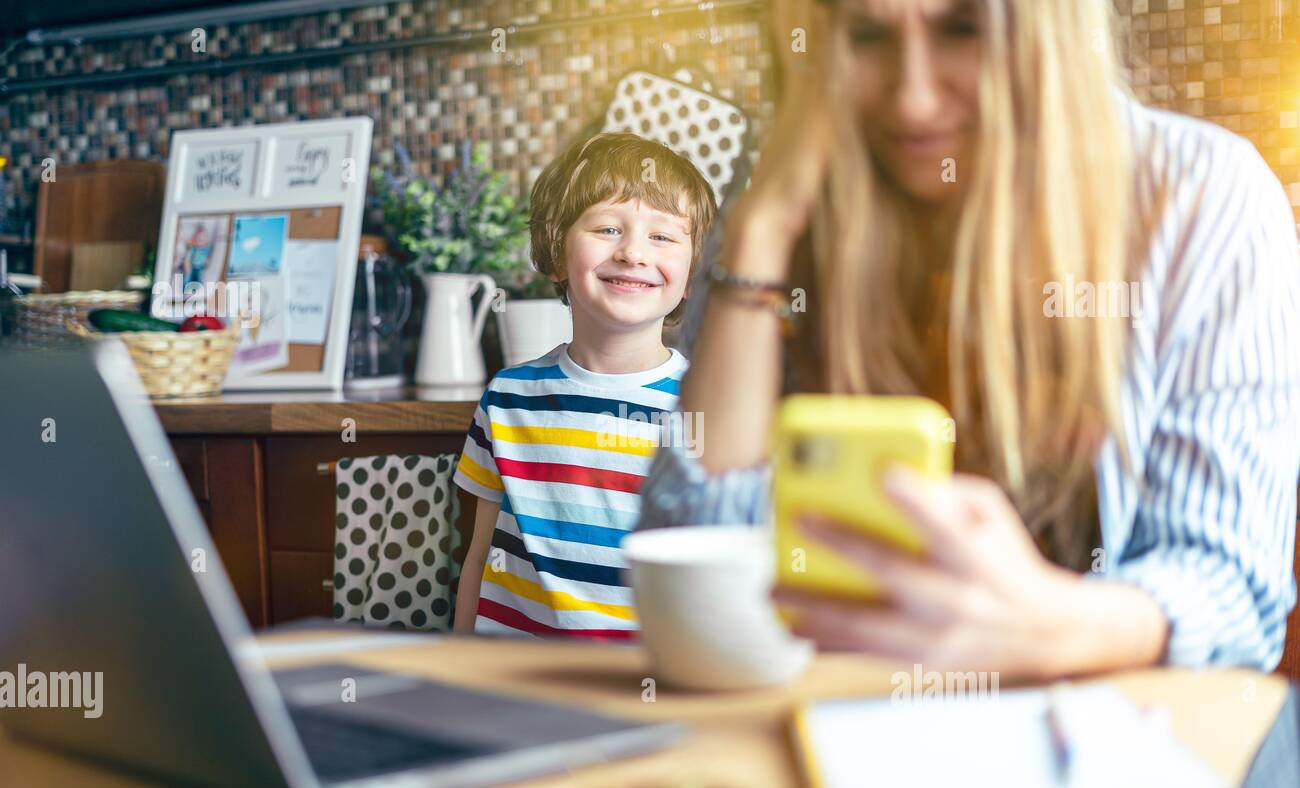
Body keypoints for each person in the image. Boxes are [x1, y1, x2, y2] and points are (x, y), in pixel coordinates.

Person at [636, 0, 1300, 677]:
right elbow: (692, 557)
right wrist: (762, 229)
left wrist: (1049, 624)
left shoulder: (1201, 196)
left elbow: (1233, 591)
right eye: (867, 35)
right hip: (837, 733)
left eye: (963, 30)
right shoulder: (780, 225)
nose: (914, 100)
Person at [453, 132, 717, 637]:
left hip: (641, 689)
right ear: (556, 251)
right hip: (511, 688)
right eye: (607, 228)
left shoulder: (705, 409)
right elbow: (479, 559)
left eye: (662, 236)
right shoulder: (506, 399)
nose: (633, 253)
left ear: (690, 274)